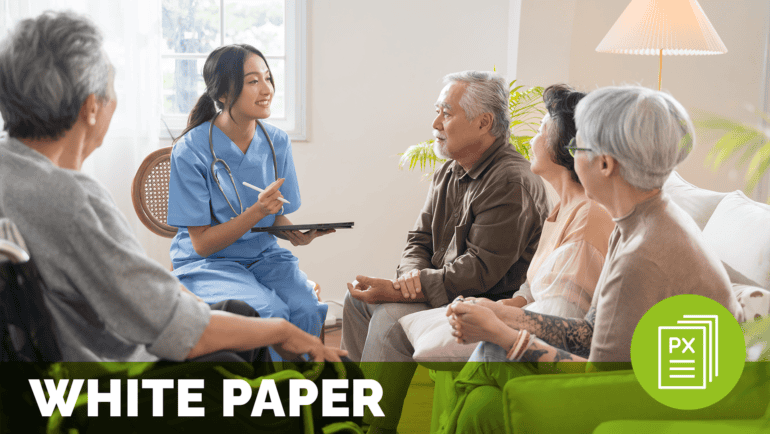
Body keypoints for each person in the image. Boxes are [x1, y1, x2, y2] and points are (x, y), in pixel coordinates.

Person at [0, 11, 345, 364]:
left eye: (267, 78)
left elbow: (138, 291)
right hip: (114, 381)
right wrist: (282, 332)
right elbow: (180, 328)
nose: (266, 88)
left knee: (259, 309)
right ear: (91, 107)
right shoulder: (72, 201)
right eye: (113, 90)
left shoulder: (13, 176)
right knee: (252, 339)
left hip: (40, 379)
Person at [446, 85, 744, 433]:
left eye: (577, 147)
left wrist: (503, 334)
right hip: (642, 386)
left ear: (605, 164)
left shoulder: (641, 254)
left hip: (669, 408)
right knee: (482, 408)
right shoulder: (639, 220)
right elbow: (589, 333)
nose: (571, 156)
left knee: (493, 354)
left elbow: (594, 385)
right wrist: (502, 314)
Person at [341, 71, 551, 434]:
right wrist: (409, 278)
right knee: (357, 303)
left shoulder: (511, 181)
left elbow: (480, 272)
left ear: (483, 122)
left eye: (446, 113)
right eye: (438, 111)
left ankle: (373, 428)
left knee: (390, 316)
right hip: (442, 290)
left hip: (484, 301)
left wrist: (398, 291)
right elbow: (417, 240)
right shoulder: (450, 172)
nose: (435, 123)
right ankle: (353, 415)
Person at [434, 83, 614, 434]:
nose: (530, 141)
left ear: (564, 146)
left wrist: (498, 318)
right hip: (541, 335)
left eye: (541, 131)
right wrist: (492, 306)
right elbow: (534, 292)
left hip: (558, 357)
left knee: (486, 353)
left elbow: (564, 320)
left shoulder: (589, 216)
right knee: (478, 407)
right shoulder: (561, 209)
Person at [166, 44, 331, 342]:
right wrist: (257, 211)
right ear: (223, 94)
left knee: (307, 308)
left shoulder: (276, 142)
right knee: (269, 312)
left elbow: (274, 218)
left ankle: (300, 386)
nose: (266, 89)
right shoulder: (190, 151)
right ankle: (263, 388)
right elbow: (202, 244)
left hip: (264, 257)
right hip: (209, 264)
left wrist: (296, 234)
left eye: (268, 78)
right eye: (253, 81)